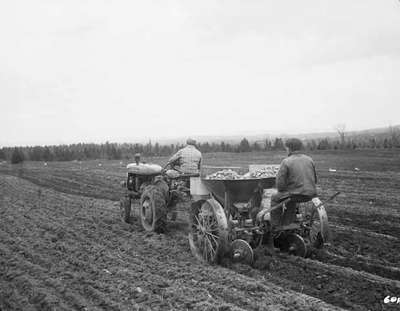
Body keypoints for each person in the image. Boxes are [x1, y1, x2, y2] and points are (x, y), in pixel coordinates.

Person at [264, 138, 318, 252]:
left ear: (289, 148)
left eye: (286, 148)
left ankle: (276, 225)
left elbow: (280, 184)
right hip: (311, 193)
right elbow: (315, 179)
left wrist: (283, 189)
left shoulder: (286, 161)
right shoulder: (310, 159)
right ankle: (288, 221)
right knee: (290, 201)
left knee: (275, 197)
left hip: (295, 194)